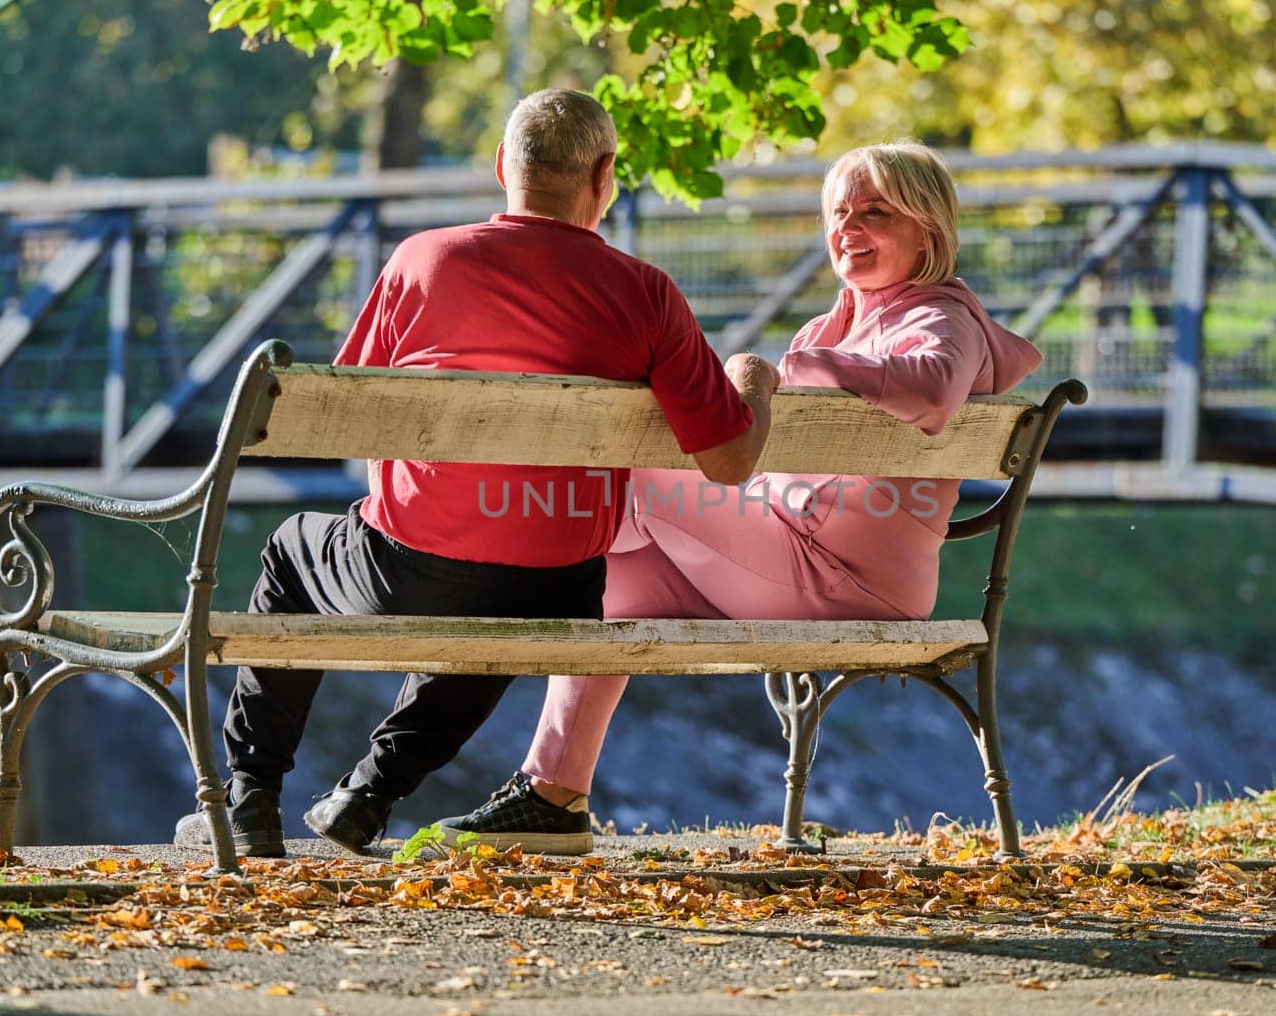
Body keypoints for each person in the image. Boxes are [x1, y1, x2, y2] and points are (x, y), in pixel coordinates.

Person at [173, 88, 780, 857]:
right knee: (505, 585)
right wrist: (754, 380)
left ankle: (249, 799)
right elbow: (730, 462)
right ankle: (370, 794)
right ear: (604, 176)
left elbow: (352, 411)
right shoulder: (647, 291)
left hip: (409, 571)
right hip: (561, 585)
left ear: (503, 166)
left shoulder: (425, 259)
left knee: (296, 548)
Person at [437, 141, 1046, 854]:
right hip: (789, 554)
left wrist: (795, 369)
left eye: (875, 211)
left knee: (637, 470)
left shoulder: (942, 316)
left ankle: (491, 561)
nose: (849, 228)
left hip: (844, 578)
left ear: (929, 230)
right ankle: (552, 794)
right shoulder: (828, 325)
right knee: (613, 584)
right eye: (838, 213)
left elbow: (936, 386)